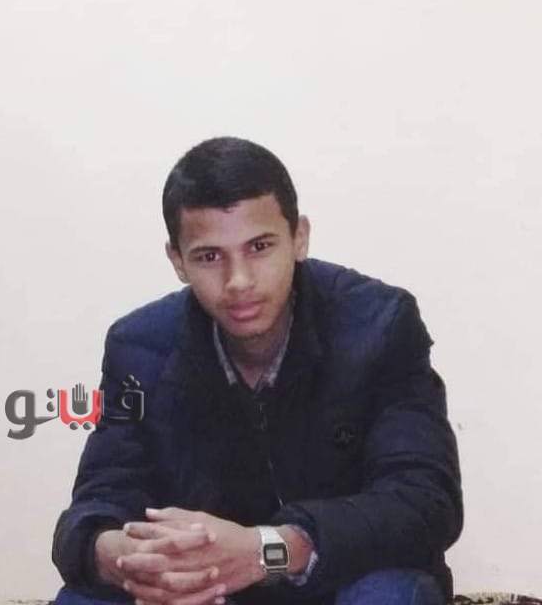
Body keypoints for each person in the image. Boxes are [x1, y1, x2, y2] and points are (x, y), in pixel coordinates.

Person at [52, 137, 463, 605]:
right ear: (178, 261)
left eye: (260, 247)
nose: (239, 281)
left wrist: (267, 550)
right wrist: (123, 558)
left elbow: (425, 501)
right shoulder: (138, 347)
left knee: (388, 595)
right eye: (209, 256)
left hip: (336, 581)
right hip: (205, 591)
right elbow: (96, 503)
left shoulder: (379, 325)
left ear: (299, 237)